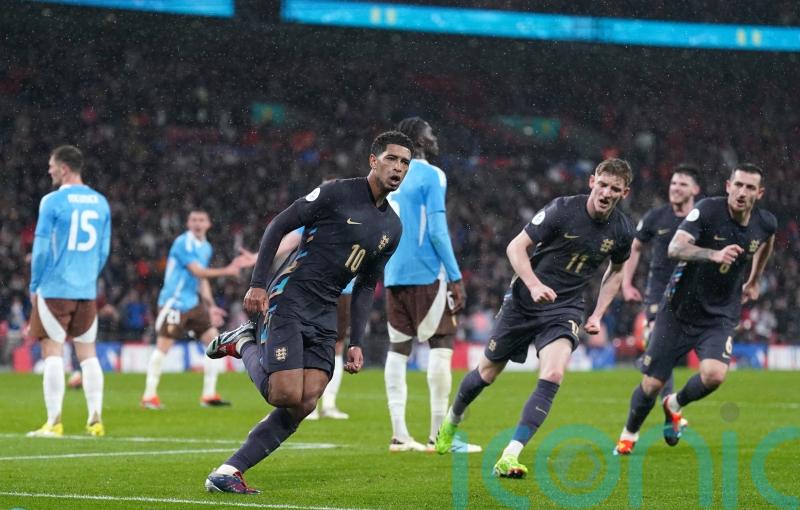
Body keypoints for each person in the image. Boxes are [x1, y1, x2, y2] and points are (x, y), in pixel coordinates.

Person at [203, 130, 413, 494]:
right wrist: (257, 283)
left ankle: (228, 471)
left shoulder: (392, 227)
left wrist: (357, 341)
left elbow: (365, 285)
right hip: (291, 298)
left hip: (326, 312)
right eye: (392, 158)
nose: (398, 168)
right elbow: (279, 225)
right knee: (283, 394)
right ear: (373, 160)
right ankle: (243, 343)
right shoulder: (336, 193)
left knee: (306, 401)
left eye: (405, 162)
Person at [435, 159, 635, 478]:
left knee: (554, 374)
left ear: (624, 192)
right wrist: (534, 284)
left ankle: (510, 455)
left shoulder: (623, 229)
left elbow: (617, 271)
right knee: (487, 372)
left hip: (565, 306)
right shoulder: (562, 210)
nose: (606, 192)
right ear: (592, 182)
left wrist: (598, 313)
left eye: (614, 188)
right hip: (524, 302)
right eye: (603, 184)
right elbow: (516, 247)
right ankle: (451, 422)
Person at [615, 164, 775, 455]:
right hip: (678, 309)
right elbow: (674, 248)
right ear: (728, 186)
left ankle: (674, 404)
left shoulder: (764, 223)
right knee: (651, 384)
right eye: (738, 185)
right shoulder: (707, 211)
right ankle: (630, 432)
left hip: (720, 314)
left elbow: (767, 242)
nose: (742, 192)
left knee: (714, 374)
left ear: (759, 193)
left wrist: (754, 280)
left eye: (750, 187)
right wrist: (713, 254)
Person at [383, 117, 476, 453]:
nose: (435, 137)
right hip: (427, 273)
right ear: (418, 141)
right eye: (430, 133)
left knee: (398, 349)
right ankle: (439, 436)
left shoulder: (389, 176)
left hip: (392, 273)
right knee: (442, 341)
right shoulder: (432, 174)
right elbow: (437, 231)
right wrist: (455, 276)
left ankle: (399, 434)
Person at [26, 145, 111, 438]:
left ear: (63, 168)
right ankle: (95, 420)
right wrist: (87, 277)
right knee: (87, 354)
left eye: (51, 165)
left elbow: (39, 249)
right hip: (86, 289)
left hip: (54, 288)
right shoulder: (100, 202)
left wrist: (34, 285)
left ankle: (54, 422)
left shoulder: (52, 201)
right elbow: (103, 251)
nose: (49, 170)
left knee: (52, 350)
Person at [140, 210, 246, 410]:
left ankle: (208, 394)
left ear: (208, 224)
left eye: (202, 220)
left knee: (215, 342)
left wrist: (211, 306)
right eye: (194, 220)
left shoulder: (206, 247)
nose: (198, 223)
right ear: (188, 223)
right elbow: (196, 271)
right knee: (163, 347)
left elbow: (201, 279)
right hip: (174, 303)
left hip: (193, 304)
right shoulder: (183, 243)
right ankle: (149, 396)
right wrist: (227, 271)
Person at [622, 165, 701, 400]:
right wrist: (626, 283)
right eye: (673, 183)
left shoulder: (704, 217)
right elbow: (634, 247)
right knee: (662, 342)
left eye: (682, 184)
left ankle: (650, 361)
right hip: (660, 291)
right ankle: (670, 404)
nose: (676, 188)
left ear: (695, 190)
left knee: (667, 351)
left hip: (694, 292)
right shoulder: (656, 217)